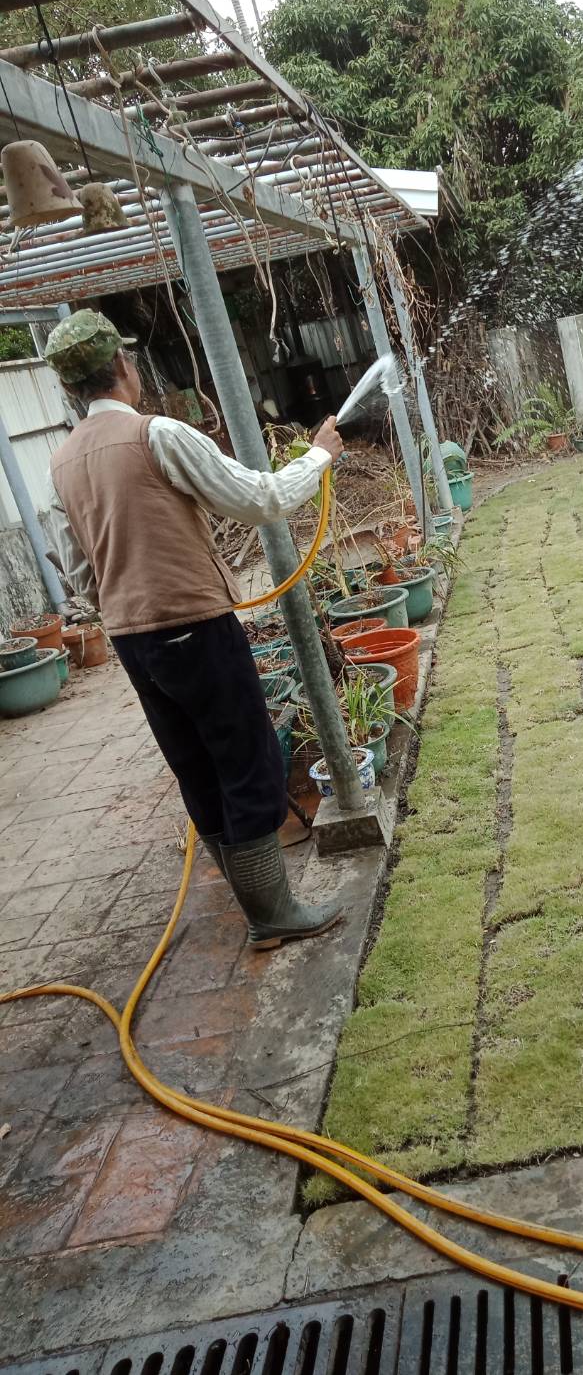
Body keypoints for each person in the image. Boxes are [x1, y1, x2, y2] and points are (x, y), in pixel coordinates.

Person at [44, 309, 345, 950]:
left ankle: (259, 909)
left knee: (196, 768)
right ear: (123, 366)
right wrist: (319, 457)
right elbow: (260, 499)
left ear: (70, 388)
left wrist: (126, 604)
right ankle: (273, 913)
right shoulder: (157, 435)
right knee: (247, 759)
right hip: (195, 627)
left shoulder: (61, 463)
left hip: (132, 640)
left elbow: (78, 572)